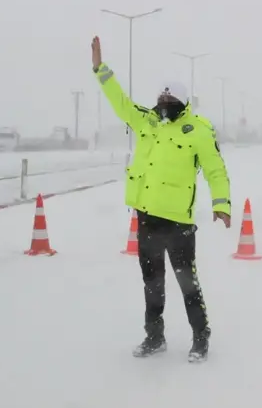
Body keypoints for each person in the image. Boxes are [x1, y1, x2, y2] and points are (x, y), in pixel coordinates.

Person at [91, 36, 232, 362]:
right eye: (161, 95)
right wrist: (101, 69)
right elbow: (121, 101)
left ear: (182, 101)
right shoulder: (147, 122)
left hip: (179, 222)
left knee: (187, 283)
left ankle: (201, 337)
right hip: (147, 217)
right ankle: (154, 337)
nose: (163, 100)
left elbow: (216, 171)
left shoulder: (198, 130)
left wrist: (221, 204)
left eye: (169, 96)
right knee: (152, 283)